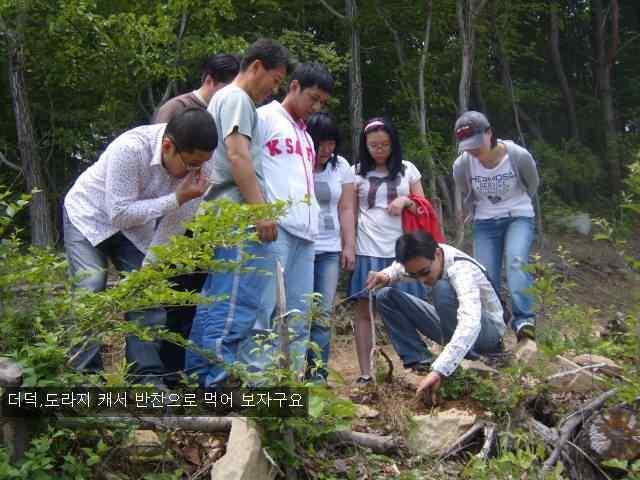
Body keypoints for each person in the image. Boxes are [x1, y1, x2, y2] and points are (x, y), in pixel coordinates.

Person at [63, 108, 217, 384]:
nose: (196, 171)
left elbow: (174, 226)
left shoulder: (204, 165)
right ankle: (82, 377)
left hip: (136, 229)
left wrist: (146, 274)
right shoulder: (131, 148)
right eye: (191, 163)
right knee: (91, 286)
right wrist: (176, 198)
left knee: (148, 296)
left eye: (201, 164)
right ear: (168, 146)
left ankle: (146, 377)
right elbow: (118, 213)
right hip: (88, 216)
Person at [186, 38, 293, 388]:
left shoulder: (223, 99)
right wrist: (261, 211)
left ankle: (200, 376)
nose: (273, 90)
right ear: (256, 66)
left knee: (215, 299)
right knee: (235, 300)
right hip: (236, 216)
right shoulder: (237, 99)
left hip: (220, 214)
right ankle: (218, 380)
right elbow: (237, 156)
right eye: (275, 80)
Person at [236, 63, 335, 378]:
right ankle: (257, 384)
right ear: (294, 87)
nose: (316, 107)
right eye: (312, 98)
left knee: (298, 313)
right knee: (263, 309)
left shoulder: (306, 136)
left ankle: (289, 385)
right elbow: (244, 163)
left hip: (306, 236)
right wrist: (260, 212)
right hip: (273, 230)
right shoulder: (264, 117)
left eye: (322, 103)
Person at [367, 231, 505, 402]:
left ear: (438, 253)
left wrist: (441, 369)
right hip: (453, 326)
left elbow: (470, 322)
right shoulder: (429, 256)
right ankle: (419, 362)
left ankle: (467, 358)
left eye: (424, 272)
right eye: (414, 275)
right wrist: (386, 275)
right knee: (386, 296)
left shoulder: (461, 270)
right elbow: (400, 268)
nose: (422, 280)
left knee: (442, 289)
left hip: (486, 333)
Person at [349, 117, 427, 384]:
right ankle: (365, 372)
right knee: (364, 310)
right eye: (373, 145)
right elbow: (348, 211)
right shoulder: (355, 171)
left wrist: (406, 200)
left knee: (414, 307)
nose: (379, 149)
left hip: (403, 250)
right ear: (365, 146)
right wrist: (348, 246)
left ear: (393, 143)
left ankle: (421, 364)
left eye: (384, 144)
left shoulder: (408, 170)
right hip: (368, 248)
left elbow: (424, 208)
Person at [452, 111, 539, 341]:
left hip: (518, 216)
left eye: (476, 144)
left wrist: (513, 206)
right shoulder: (462, 165)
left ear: (489, 133)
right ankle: (497, 318)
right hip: (485, 222)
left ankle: (525, 321)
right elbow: (466, 192)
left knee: (516, 263)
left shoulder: (517, 156)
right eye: (467, 146)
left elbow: (532, 184)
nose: (473, 151)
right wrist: (470, 211)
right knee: (485, 274)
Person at [305, 112, 355, 381]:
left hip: (330, 250)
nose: (326, 149)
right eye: (321, 143)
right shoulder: (297, 163)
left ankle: (317, 374)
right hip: (299, 247)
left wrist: (349, 245)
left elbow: (346, 207)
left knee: (322, 314)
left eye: (331, 143)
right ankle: (289, 373)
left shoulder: (341, 166)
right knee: (297, 311)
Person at [152, 53, 240, 123]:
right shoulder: (175, 107)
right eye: (229, 88)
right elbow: (158, 143)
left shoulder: (229, 112)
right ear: (209, 80)